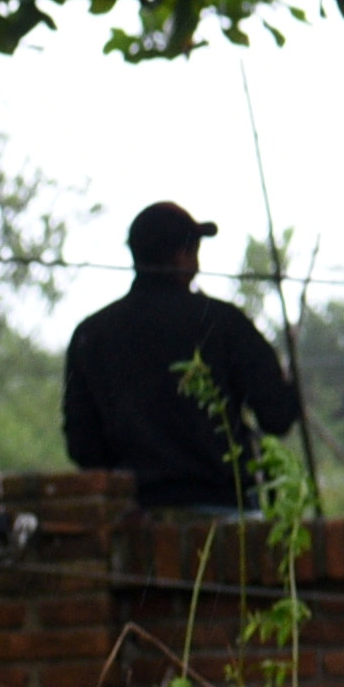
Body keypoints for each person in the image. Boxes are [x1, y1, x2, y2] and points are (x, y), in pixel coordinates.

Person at [63, 201, 309, 511]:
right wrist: (292, 381)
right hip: (225, 516)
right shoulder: (223, 323)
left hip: (133, 519)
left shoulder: (92, 334)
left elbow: (82, 447)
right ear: (183, 256)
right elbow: (278, 417)